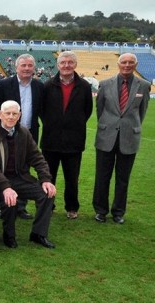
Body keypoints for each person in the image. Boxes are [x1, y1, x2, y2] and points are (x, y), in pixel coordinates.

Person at [0, 101, 57, 249]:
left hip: (21, 179)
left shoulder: (24, 133)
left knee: (47, 194)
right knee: (10, 200)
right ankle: (9, 235)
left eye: (15, 114)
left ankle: (38, 234)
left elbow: (37, 157)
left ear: (19, 116)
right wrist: (5, 187)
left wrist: (45, 179)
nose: (11, 117)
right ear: (0, 115)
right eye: (7, 113)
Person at [92, 53, 150, 224]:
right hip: (106, 136)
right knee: (102, 176)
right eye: (124, 62)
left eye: (131, 62)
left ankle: (118, 212)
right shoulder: (104, 84)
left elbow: (142, 112)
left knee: (123, 178)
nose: (127, 65)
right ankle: (100, 210)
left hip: (129, 138)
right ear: (118, 64)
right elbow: (100, 110)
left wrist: (129, 127)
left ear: (136, 64)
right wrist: (108, 126)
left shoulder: (144, 86)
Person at [40, 51, 93, 219]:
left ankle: (72, 207)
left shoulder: (84, 86)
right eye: (63, 63)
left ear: (75, 65)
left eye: (70, 62)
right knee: (49, 176)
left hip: (74, 141)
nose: (66, 65)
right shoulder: (48, 85)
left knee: (72, 178)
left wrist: (72, 124)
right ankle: (48, 205)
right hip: (51, 140)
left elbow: (87, 111)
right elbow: (42, 110)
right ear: (58, 65)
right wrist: (54, 124)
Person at [0, 54, 44, 219]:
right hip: (6, 133)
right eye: (23, 65)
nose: (27, 68)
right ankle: (4, 205)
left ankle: (20, 207)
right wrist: (5, 129)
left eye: (30, 65)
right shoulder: (4, 84)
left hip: (28, 133)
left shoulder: (38, 86)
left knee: (23, 171)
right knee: (4, 167)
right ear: (16, 67)